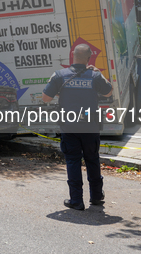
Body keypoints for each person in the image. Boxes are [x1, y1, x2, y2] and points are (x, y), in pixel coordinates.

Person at [42, 44, 113, 211]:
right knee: (92, 160)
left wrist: (61, 93)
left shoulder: (60, 75)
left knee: (73, 161)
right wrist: (98, 72)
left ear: (72, 56)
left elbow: (45, 98)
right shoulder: (95, 76)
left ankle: (76, 200)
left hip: (69, 126)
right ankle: (96, 197)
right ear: (89, 59)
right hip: (90, 126)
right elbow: (108, 92)